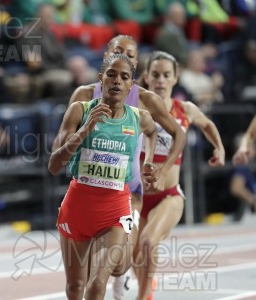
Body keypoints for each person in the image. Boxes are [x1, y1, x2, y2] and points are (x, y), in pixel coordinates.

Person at [68, 35, 186, 299]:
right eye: (118, 52)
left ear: (135, 67)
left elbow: (177, 134)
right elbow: (66, 142)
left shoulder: (145, 100)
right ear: (106, 57)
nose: (124, 57)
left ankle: (121, 282)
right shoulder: (84, 96)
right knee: (83, 278)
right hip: (87, 190)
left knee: (120, 260)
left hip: (129, 193)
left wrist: (160, 168)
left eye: (130, 55)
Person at [48, 53, 159, 299]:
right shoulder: (80, 110)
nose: (117, 81)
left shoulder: (139, 118)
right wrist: (84, 131)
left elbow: (153, 133)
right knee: (76, 287)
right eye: (111, 74)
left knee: (98, 282)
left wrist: (149, 160)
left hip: (116, 209)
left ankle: (124, 265)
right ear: (101, 79)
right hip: (78, 207)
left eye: (124, 77)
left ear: (132, 85)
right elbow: (54, 165)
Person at [136, 51, 225, 299]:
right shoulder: (136, 108)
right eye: (155, 75)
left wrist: (219, 147)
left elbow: (207, 124)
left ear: (176, 78)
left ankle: (143, 297)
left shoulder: (184, 109)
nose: (161, 80)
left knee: (148, 242)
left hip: (168, 196)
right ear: (146, 77)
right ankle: (146, 286)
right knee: (130, 257)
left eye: (166, 75)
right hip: (136, 196)